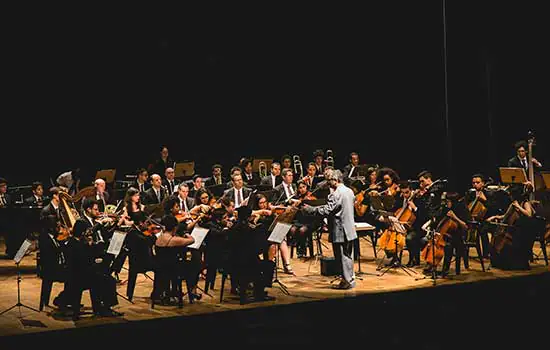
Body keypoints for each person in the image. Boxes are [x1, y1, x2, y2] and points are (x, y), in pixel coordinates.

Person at [303, 169, 357, 289]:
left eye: (330, 180)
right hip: (349, 228)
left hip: (340, 229)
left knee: (341, 257)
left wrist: (311, 209)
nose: (328, 183)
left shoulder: (336, 193)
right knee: (348, 256)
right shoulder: (349, 191)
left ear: (336, 180)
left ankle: (346, 282)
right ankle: (350, 279)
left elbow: (327, 210)